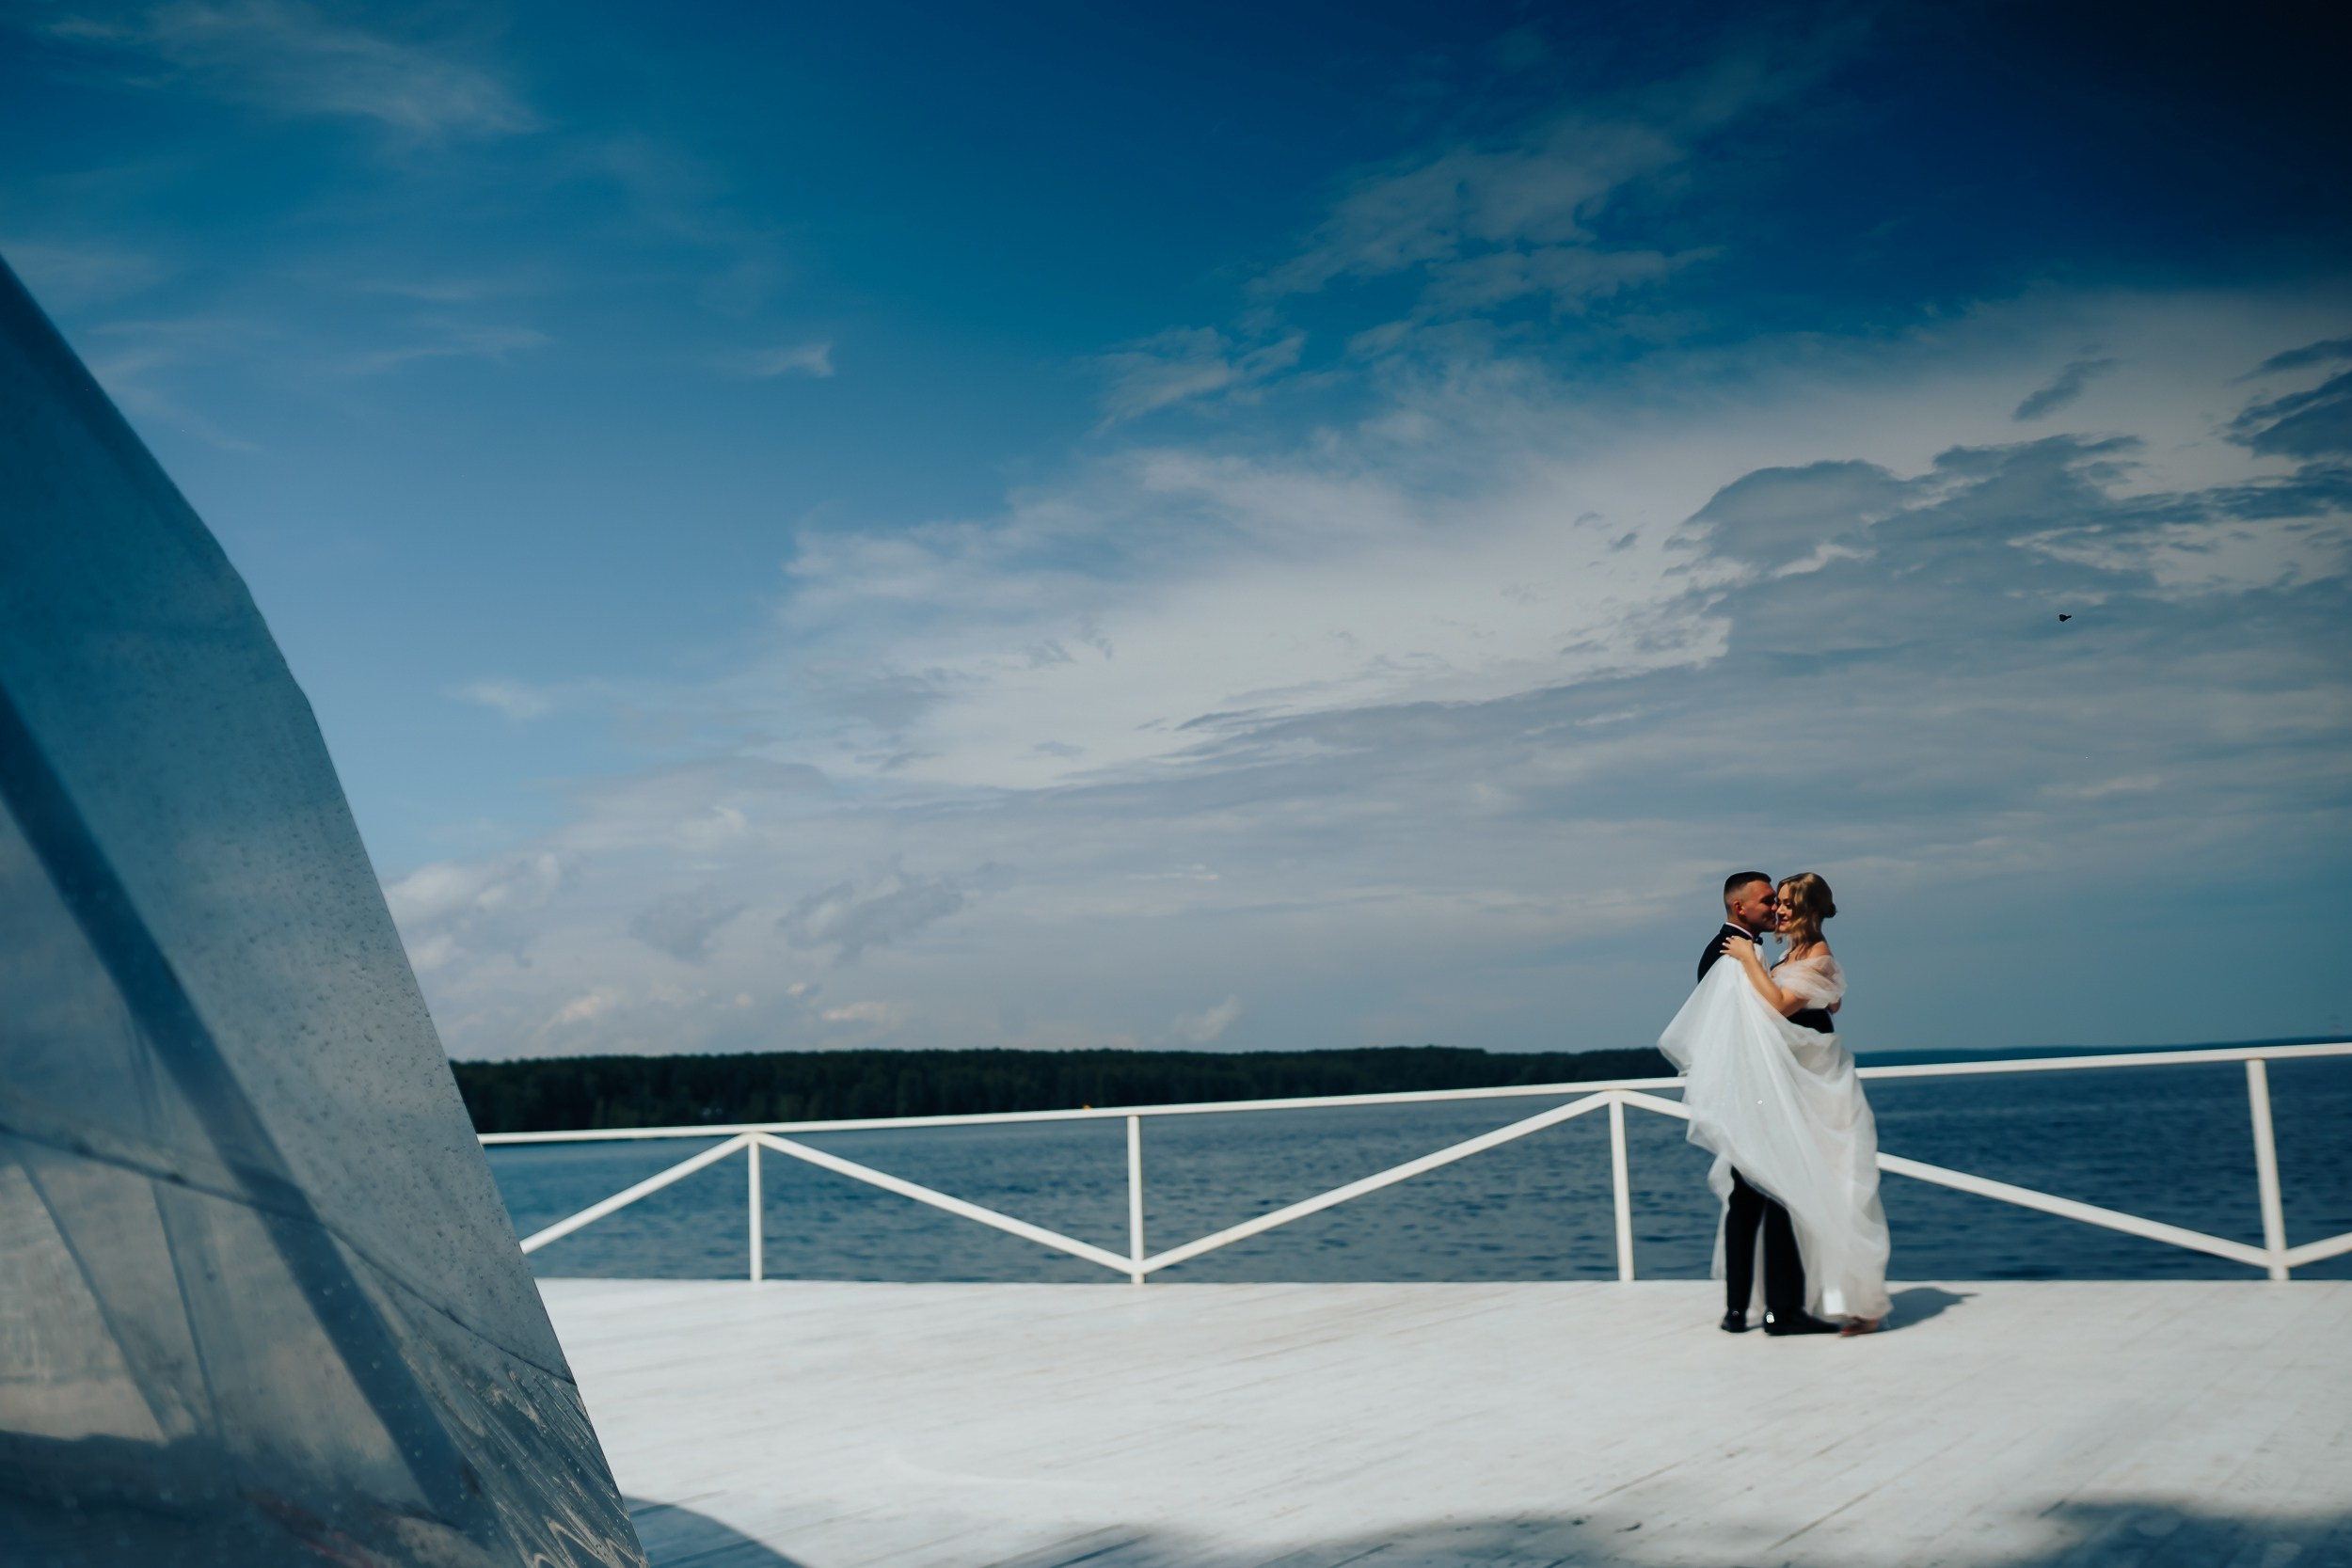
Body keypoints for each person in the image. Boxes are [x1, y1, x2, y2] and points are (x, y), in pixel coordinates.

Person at [1661, 871, 1891, 1337]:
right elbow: (1758, 1017)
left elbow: (1785, 1006)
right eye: (1771, 901)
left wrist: (1805, 984)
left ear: (1804, 909)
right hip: (1768, 1091)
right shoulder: (1741, 953)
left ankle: (1762, 1309)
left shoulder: (1769, 953)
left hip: (1796, 1087)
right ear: (1740, 908)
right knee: (1772, 1195)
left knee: (1769, 1196)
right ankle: (1776, 1311)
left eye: (1784, 902)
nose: (1777, 909)